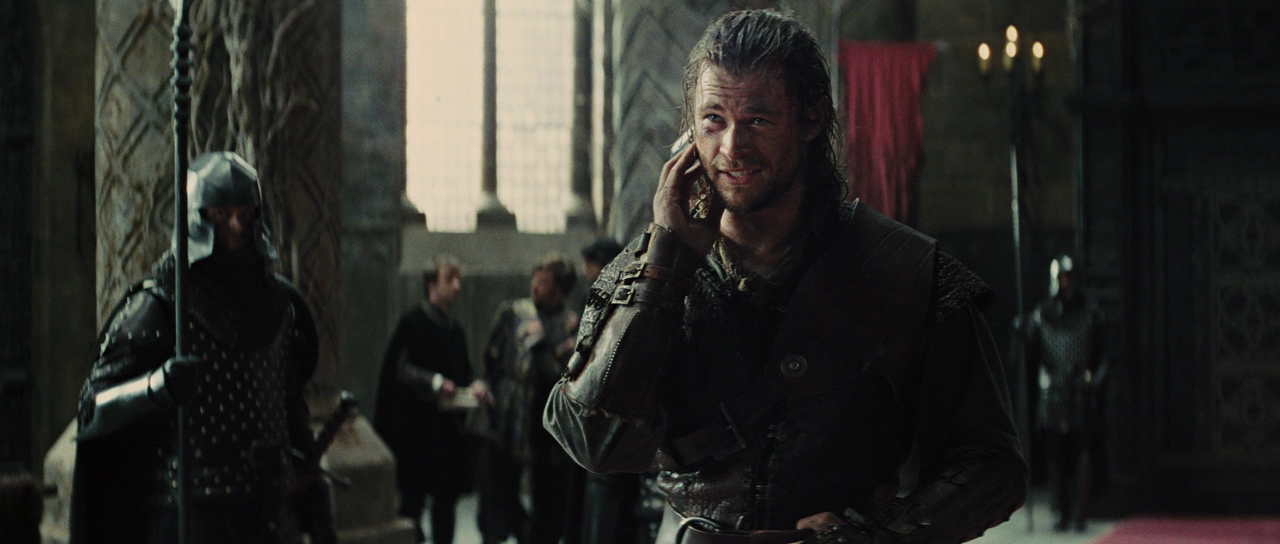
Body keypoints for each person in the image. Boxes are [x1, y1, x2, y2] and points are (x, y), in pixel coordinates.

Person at [544, 9, 1027, 544]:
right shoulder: (649, 269)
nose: (732, 148)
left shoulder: (905, 271)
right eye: (714, 120)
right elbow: (593, 441)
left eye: (757, 120)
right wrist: (667, 262)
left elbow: (992, 464)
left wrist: (878, 537)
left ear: (812, 120)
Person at [70, 151, 335, 544]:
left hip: (273, 511)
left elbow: (289, 405)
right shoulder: (162, 304)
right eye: (221, 213)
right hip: (193, 512)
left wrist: (315, 506)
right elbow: (93, 409)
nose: (237, 225)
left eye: (245, 213)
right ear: (197, 217)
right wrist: (154, 387)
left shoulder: (280, 304)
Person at [374, 255, 493, 544]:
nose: (456, 286)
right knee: (412, 504)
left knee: (445, 505)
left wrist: (475, 385)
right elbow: (400, 369)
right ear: (431, 285)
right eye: (449, 279)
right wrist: (436, 382)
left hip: (446, 434)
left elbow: (464, 372)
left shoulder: (455, 330)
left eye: (458, 279)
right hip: (416, 432)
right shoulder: (412, 323)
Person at [477, 253, 580, 544]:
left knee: (547, 496)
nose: (535, 285)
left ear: (559, 290)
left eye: (543, 282)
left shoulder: (570, 324)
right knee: (498, 490)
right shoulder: (514, 312)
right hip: (509, 412)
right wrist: (488, 388)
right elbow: (491, 356)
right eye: (535, 277)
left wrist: (542, 344)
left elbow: (561, 376)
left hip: (544, 419)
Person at [1018, 255, 1107, 532]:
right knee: (1056, 454)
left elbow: (1104, 355)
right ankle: (1060, 511)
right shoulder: (1041, 314)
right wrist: (1021, 332)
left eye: (1069, 277)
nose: (1065, 282)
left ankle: (1080, 512)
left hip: (1081, 390)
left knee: (1082, 452)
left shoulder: (1091, 312)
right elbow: (1031, 354)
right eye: (1061, 277)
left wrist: (1094, 381)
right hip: (1053, 390)